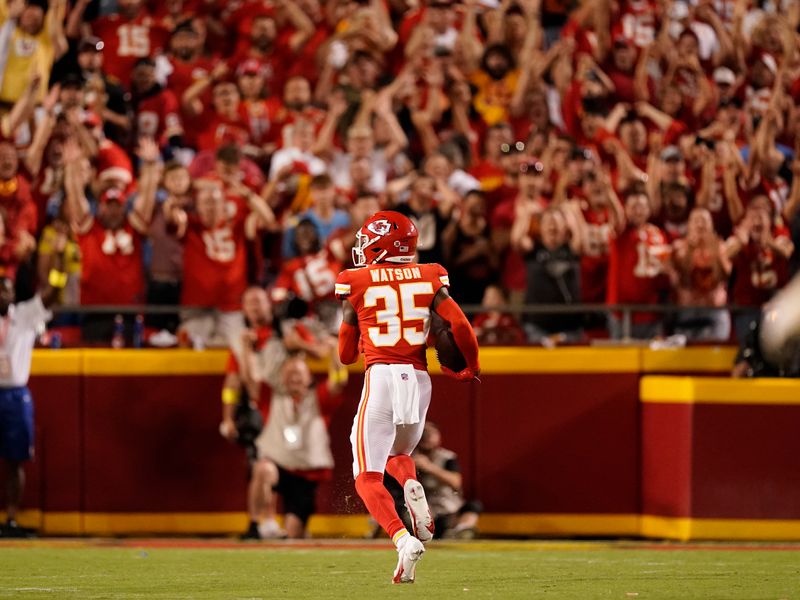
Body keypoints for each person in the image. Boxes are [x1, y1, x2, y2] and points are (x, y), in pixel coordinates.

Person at [336, 210, 480, 584]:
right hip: (418, 378)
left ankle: (402, 540)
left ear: (382, 245)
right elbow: (461, 325)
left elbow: (345, 355)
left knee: (366, 476)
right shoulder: (431, 275)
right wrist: (470, 367)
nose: (363, 248)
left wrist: (357, 324)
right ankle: (411, 486)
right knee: (399, 455)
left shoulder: (357, 281)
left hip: (381, 375)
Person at [0, 226, 65, 536]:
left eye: (7, 289)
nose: (3, 293)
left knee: (15, 461)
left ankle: (11, 518)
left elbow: (53, 295)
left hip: (14, 393)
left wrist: (60, 262)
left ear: (14, 294)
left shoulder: (25, 314)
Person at [411, 422, 482, 539]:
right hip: (424, 513)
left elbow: (456, 482)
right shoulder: (409, 458)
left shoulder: (447, 457)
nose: (426, 436)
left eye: (430, 433)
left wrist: (429, 467)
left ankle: (462, 529)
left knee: (474, 505)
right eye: (423, 433)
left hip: (449, 509)